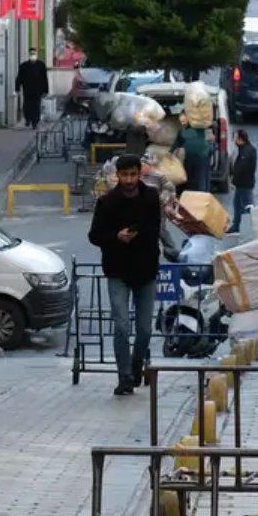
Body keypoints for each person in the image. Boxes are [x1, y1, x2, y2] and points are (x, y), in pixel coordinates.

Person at [88, 155, 162, 395]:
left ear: (140, 174)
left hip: (146, 270)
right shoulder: (107, 202)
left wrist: (137, 234)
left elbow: (154, 228)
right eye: (124, 175)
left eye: (133, 174)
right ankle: (124, 377)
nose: (129, 180)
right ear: (117, 175)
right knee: (120, 326)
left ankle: (137, 363)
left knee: (144, 330)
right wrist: (116, 237)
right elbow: (95, 235)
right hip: (117, 270)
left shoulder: (151, 197)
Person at [227, 129, 258, 234]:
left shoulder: (247, 151)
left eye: (235, 138)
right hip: (241, 184)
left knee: (247, 207)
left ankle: (252, 227)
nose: (234, 140)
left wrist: (233, 179)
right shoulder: (244, 149)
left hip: (245, 184)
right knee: (237, 204)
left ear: (240, 139)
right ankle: (236, 225)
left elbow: (242, 168)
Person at [171, 115, 211, 194]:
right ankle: (201, 193)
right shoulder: (198, 127)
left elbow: (178, 142)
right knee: (200, 176)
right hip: (198, 155)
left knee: (196, 177)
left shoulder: (189, 129)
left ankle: (197, 194)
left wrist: (170, 152)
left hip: (197, 155)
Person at [15, 48, 49, 129]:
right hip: (27, 89)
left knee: (36, 106)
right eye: (31, 54)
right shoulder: (24, 65)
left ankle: (35, 122)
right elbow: (19, 77)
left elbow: (45, 78)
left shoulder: (41, 65)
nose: (33, 55)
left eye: (34, 53)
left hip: (38, 89)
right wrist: (17, 88)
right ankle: (28, 119)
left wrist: (46, 90)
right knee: (27, 105)